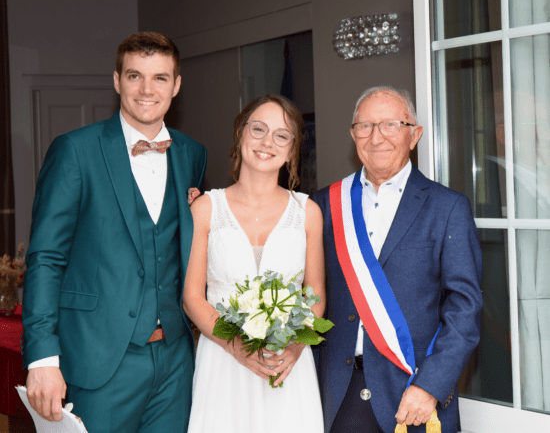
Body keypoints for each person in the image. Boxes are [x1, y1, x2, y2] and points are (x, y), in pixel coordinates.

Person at [22, 32, 207, 433]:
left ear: (176, 85)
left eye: (160, 78)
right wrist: (42, 358)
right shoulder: (75, 150)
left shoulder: (192, 154)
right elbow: (46, 259)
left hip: (176, 361)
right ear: (117, 80)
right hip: (100, 359)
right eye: (134, 76)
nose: (146, 90)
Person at [313, 86, 482, 433]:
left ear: (414, 135)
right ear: (353, 135)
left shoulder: (447, 207)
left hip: (414, 392)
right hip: (338, 392)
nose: (376, 137)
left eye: (390, 124)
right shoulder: (325, 204)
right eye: (365, 126)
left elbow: (464, 308)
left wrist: (430, 386)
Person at [183, 94, 325, 432]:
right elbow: (192, 298)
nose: (267, 142)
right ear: (240, 134)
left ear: (292, 150)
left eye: (281, 135)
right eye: (258, 129)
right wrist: (237, 347)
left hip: (286, 366)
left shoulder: (308, 212)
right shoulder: (205, 209)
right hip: (222, 362)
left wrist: (295, 346)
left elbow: (315, 295)